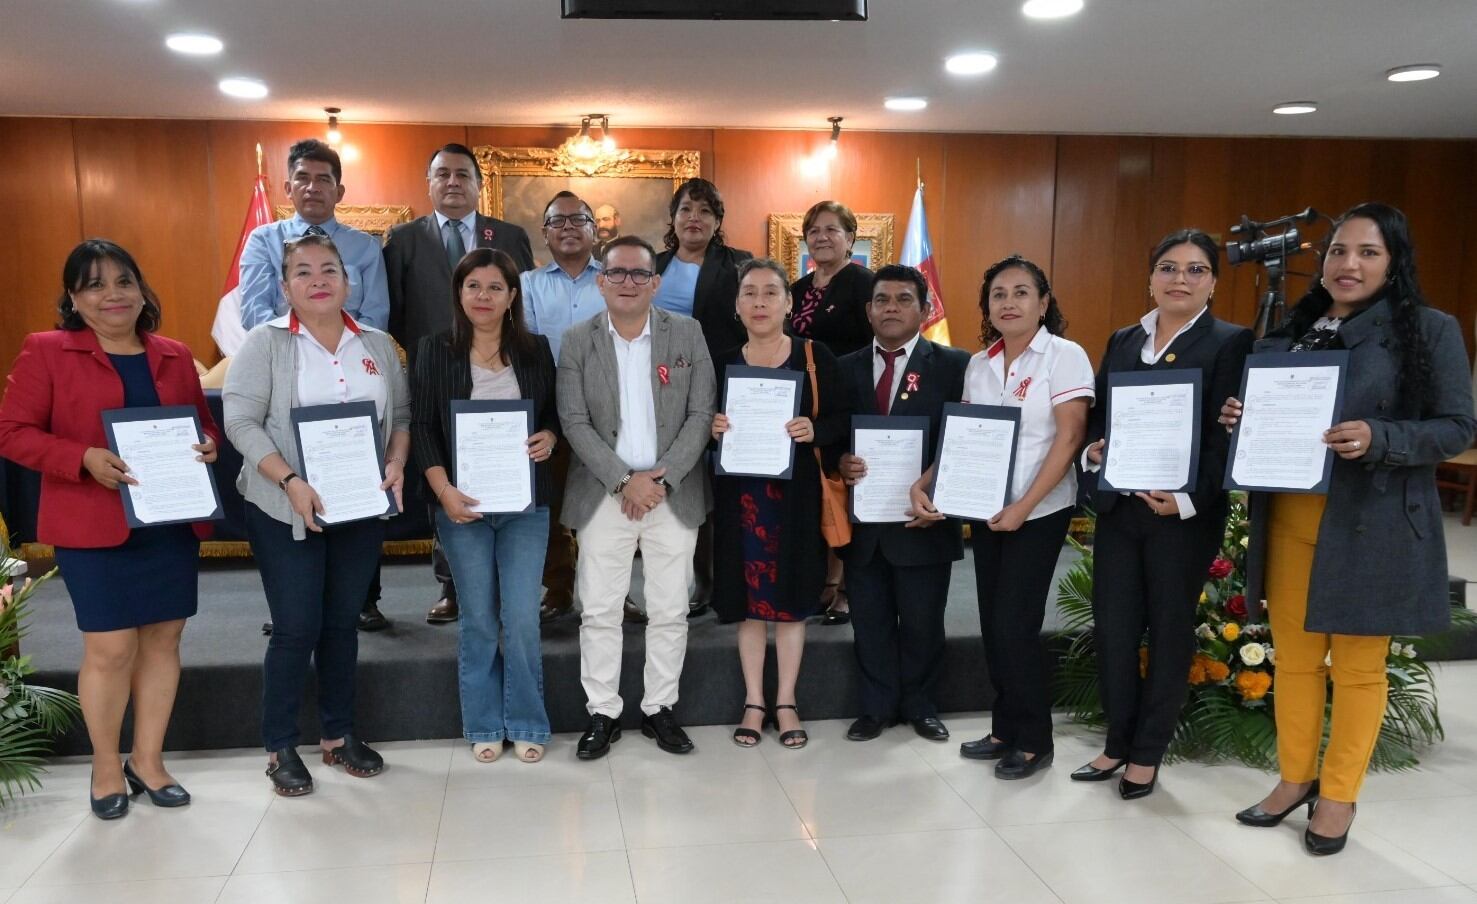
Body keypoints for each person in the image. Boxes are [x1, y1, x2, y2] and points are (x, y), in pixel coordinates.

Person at [1225, 203, 1474, 855]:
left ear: (1393, 263)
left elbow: (1457, 427)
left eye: (1366, 252)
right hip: (1288, 518)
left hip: (1373, 524)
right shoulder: (1289, 334)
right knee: (1297, 661)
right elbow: (1272, 421)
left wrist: (1379, 436)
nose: (1347, 263)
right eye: (1337, 251)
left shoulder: (1428, 329)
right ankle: (1293, 779)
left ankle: (1336, 796)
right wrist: (1240, 419)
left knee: (1359, 669)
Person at [0, 240, 218, 819]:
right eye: (94, 285)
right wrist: (81, 458)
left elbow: (202, 425)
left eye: (124, 281)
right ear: (73, 298)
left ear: (141, 289)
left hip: (167, 521)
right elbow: (12, 431)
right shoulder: (46, 351)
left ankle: (147, 761)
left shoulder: (173, 354)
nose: (113, 295)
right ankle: (104, 765)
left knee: (164, 641)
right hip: (91, 525)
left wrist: (208, 446)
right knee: (110, 647)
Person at [223, 233, 411, 797]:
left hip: (357, 505)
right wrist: (290, 480)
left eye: (329, 268)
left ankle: (338, 735)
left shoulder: (377, 343)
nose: (317, 279)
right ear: (284, 287)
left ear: (348, 281)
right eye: (302, 272)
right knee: (296, 626)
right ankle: (280, 744)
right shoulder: (266, 343)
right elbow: (240, 423)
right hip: (285, 507)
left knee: (340, 624)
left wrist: (397, 463)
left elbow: (400, 415)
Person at [1075, 229, 1253, 799]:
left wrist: (1190, 497)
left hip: (1182, 515)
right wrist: (1093, 452)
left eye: (1196, 269)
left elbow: (1229, 434)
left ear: (1213, 283)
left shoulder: (1230, 341)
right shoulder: (1125, 339)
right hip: (1122, 509)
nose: (1180, 279)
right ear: (1150, 277)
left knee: (1170, 630)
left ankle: (1147, 754)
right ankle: (1116, 742)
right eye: (1169, 267)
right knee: (1115, 629)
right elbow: (1101, 416)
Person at [909, 255, 1093, 778]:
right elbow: (967, 438)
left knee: (1016, 623)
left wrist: (1024, 507)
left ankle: (1036, 739)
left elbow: (1070, 438)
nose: (1008, 303)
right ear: (987, 306)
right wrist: (926, 481)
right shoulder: (980, 364)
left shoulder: (1064, 356)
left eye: (1020, 292)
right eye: (998, 295)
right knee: (993, 622)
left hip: (1039, 511)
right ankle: (1004, 727)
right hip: (987, 509)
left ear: (1043, 302)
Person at [557, 236, 716, 760]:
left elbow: (700, 414)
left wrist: (659, 482)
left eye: (638, 274)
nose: (628, 282)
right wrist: (626, 481)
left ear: (656, 283)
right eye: (617, 273)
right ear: (600, 281)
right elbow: (574, 421)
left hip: (674, 492)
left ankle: (659, 709)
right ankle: (602, 712)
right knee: (599, 609)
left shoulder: (687, 333)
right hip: (606, 495)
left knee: (669, 609)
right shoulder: (578, 340)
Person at [412, 248, 559, 764]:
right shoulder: (435, 350)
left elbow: (554, 416)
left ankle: (526, 721)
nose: (483, 296)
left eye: (495, 287)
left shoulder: (536, 350)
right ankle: (482, 723)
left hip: (525, 504)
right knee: (477, 618)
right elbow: (423, 427)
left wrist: (549, 437)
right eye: (473, 286)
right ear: (459, 292)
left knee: (520, 617)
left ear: (512, 296)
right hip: (461, 505)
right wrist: (443, 491)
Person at [384, 142, 535, 626]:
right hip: (436, 374)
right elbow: (397, 313)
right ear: (429, 182)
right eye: (441, 174)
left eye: (462, 174)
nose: (452, 182)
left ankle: (507, 581)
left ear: (477, 183)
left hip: (502, 375)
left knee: (504, 478)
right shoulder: (404, 238)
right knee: (442, 477)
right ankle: (452, 586)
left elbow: (523, 302)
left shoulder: (509, 234)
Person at [710, 259, 851, 749]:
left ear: (789, 303)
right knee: (748, 605)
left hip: (795, 501)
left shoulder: (815, 356)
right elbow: (703, 425)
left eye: (771, 293)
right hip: (741, 501)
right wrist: (714, 430)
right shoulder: (723, 359)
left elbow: (842, 420)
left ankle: (786, 701)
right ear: (737, 305)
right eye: (750, 293)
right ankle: (754, 701)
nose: (760, 303)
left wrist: (818, 430)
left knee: (791, 604)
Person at [837, 265, 969, 742]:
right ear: (868, 310)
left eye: (903, 299)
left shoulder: (956, 366)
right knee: (869, 623)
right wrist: (841, 460)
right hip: (865, 525)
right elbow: (831, 433)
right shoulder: (843, 366)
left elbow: (965, 440)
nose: (890, 307)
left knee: (922, 623)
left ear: (924, 308)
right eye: (881, 299)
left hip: (924, 522)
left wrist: (937, 488)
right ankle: (876, 708)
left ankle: (920, 704)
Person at [652, 177, 753, 616]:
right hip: (659, 392)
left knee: (716, 491)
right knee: (671, 485)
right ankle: (676, 581)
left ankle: (713, 583)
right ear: (673, 218)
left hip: (721, 391)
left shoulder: (739, 265)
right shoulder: (652, 265)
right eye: (686, 210)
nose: (695, 218)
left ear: (718, 221)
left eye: (705, 211)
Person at [789, 200, 875, 626]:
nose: (821, 237)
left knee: (841, 488)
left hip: (848, 402)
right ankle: (822, 578)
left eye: (831, 230)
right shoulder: (798, 289)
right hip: (806, 409)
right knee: (815, 490)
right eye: (814, 230)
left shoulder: (863, 284)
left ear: (850, 238)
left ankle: (842, 586)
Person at [522, 191, 606, 623]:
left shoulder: (614, 279)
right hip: (550, 411)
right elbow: (532, 350)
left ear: (595, 229)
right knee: (551, 505)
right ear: (545, 233)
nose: (569, 227)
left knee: (605, 504)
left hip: (607, 412)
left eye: (579, 219)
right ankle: (558, 588)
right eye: (558, 221)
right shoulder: (529, 284)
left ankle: (612, 591)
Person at [235, 139, 389, 335]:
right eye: (302, 178)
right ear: (288, 189)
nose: (312, 188)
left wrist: (338, 348)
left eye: (323, 179)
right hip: (284, 358)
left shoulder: (366, 246)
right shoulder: (263, 241)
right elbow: (254, 313)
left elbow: (376, 316)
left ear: (339, 193)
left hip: (350, 357)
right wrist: (303, 349)